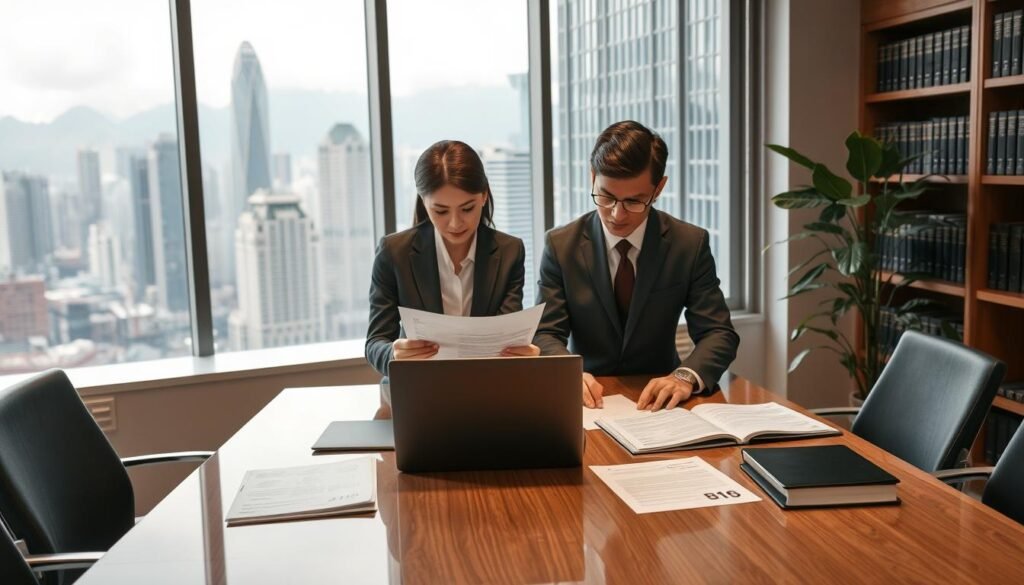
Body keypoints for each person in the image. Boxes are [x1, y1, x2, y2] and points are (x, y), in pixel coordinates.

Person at [533, 120, 739, 411]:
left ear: (658, 188)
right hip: (589, 398)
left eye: (634, 201)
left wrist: (684, 377)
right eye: (606, 197)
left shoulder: (688, 244)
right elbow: (545, 333)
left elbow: (718, 332)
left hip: (662, 398)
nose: (617, 214)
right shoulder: (561, 245)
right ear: (593, 177)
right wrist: (567, 372)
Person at [366, 139, 539, 377]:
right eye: (441, 211)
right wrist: (394, 354)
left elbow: (504, 337)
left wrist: (519, 354)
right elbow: (375, 343)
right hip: (419, 385)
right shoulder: (394, 253)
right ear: (424, 202)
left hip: (485, 384)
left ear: (484, 196)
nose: (455, 223)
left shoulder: (510, 251)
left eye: (467, 208)